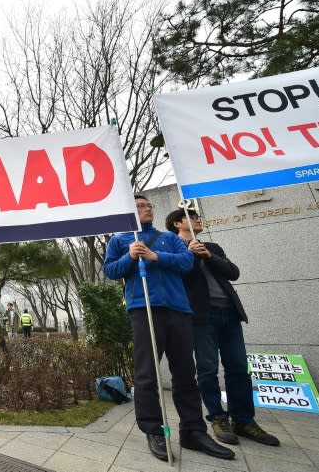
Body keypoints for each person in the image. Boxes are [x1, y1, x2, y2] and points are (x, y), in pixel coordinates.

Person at [104, 195, 234, 462]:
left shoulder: (170, 238)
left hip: (179, 310)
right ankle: (153, 430)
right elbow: (111, 271)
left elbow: (186, 263)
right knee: (146, 375)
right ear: (129, 210)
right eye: (140, 206)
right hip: (144, 309)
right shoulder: (120, 240)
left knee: (186, 374)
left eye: (149, 205)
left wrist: (154, 256)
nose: (147, 209)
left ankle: (193, 431)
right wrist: (130, 257)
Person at [166, 208, 280, 447]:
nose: (198, 220)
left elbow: (233, 273)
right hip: (200, 317)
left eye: (198, 216)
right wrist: (190, 255)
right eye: (192, 217)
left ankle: (244, 420)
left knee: (238, 367)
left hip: (229, 314)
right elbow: (176, 279)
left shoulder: (213, 246)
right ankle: (218, 418)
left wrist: (208, 255)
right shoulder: (171, 248)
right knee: (207, 369)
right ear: (178, 223)